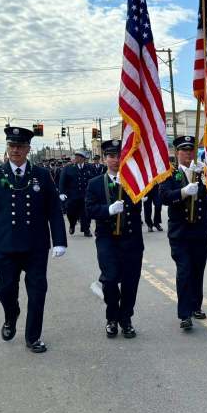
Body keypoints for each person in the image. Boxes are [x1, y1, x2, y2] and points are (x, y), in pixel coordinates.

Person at [0, 126, 67, 353]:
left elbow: (53, 210)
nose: (15, 150)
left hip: (35, 245)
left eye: (20, 146)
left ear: (28, 149)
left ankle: (33, 336)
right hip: (5, 245)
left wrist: (60, 240)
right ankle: (11, 313)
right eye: (11, 146)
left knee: (37, 291)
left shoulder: (41, 175)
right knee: (4, 289)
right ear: (7, 148)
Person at [85, 139, 144, 339]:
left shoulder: (134, 181)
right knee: (109, 279)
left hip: (131, 239)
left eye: (119, 155)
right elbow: (90, 209)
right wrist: (108, 210)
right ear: (104, 159)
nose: (116, 160)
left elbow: (142, 205)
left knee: (130, 281)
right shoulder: (95, 184)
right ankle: (112, 317)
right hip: (107, 239)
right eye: (111, 156)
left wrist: (136, 192)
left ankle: (126, 319)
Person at [159, 136, 207, 331]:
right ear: (177, 153)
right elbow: (163, 197)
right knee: (185, 271)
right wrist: (183, 192)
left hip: (199, 231)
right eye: (184, 150)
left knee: (198, 271)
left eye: (191, 150)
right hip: (180, 233)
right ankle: (185, 314)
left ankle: (196, 305)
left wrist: (203, 179)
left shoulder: (200, 172)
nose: (188, 154)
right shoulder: (169, 174)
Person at [59, 150, 94, 237]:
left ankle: (86, 229)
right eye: (76, 157)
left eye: (78, 157)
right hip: (72, 196)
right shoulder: (68, 168)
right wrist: (62, 193)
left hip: (85, 196)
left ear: (82, 158)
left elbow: (94, 180)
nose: (76, 158)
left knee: (86, 213)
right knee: (70, 212)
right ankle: (72, 224)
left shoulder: (90, 167)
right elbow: (62, 181)